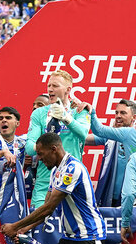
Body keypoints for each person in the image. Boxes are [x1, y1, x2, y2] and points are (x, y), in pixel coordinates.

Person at [25, 70, 89, 207]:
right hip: (44, 183)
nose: (50, 89)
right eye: (49, 86)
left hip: (72, 182)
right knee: (39, 226)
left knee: (72, 227)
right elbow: (29, 148)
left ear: (68, 89)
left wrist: (66, 118)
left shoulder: (79, 110)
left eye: (55, 86)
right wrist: (47, 148)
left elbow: (83, 133)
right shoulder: (39, 113)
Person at [85, 99, 136, 207]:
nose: (118, 116)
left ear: (134, 117)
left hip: (133, 198)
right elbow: (84, 139)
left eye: (123, 113)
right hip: (109, 197)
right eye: (116, 112)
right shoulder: (110, 137)